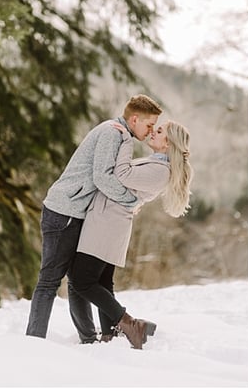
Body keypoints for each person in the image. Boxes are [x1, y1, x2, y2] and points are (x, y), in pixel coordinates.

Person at [25, 94, 163, 341]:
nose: (151, 131)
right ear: (135, 119)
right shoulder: (112, 133)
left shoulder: (120, 134)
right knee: (49, 282)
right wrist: (131, 201)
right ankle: (33, 342)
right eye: (150, 125)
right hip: (64, 210)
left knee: (76, 281)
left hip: (76, 212)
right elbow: (102, 177)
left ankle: (89, 338)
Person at [68, 120, 192, 349]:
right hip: (107, 221)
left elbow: (123, 174)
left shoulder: (160, 171)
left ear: (168, 143)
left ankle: (130, 324)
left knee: (81, 280)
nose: (153, 132)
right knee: (102, 282)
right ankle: (109, 335)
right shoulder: (156, 164)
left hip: (108, 224)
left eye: (159, 131)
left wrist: (126, 139)